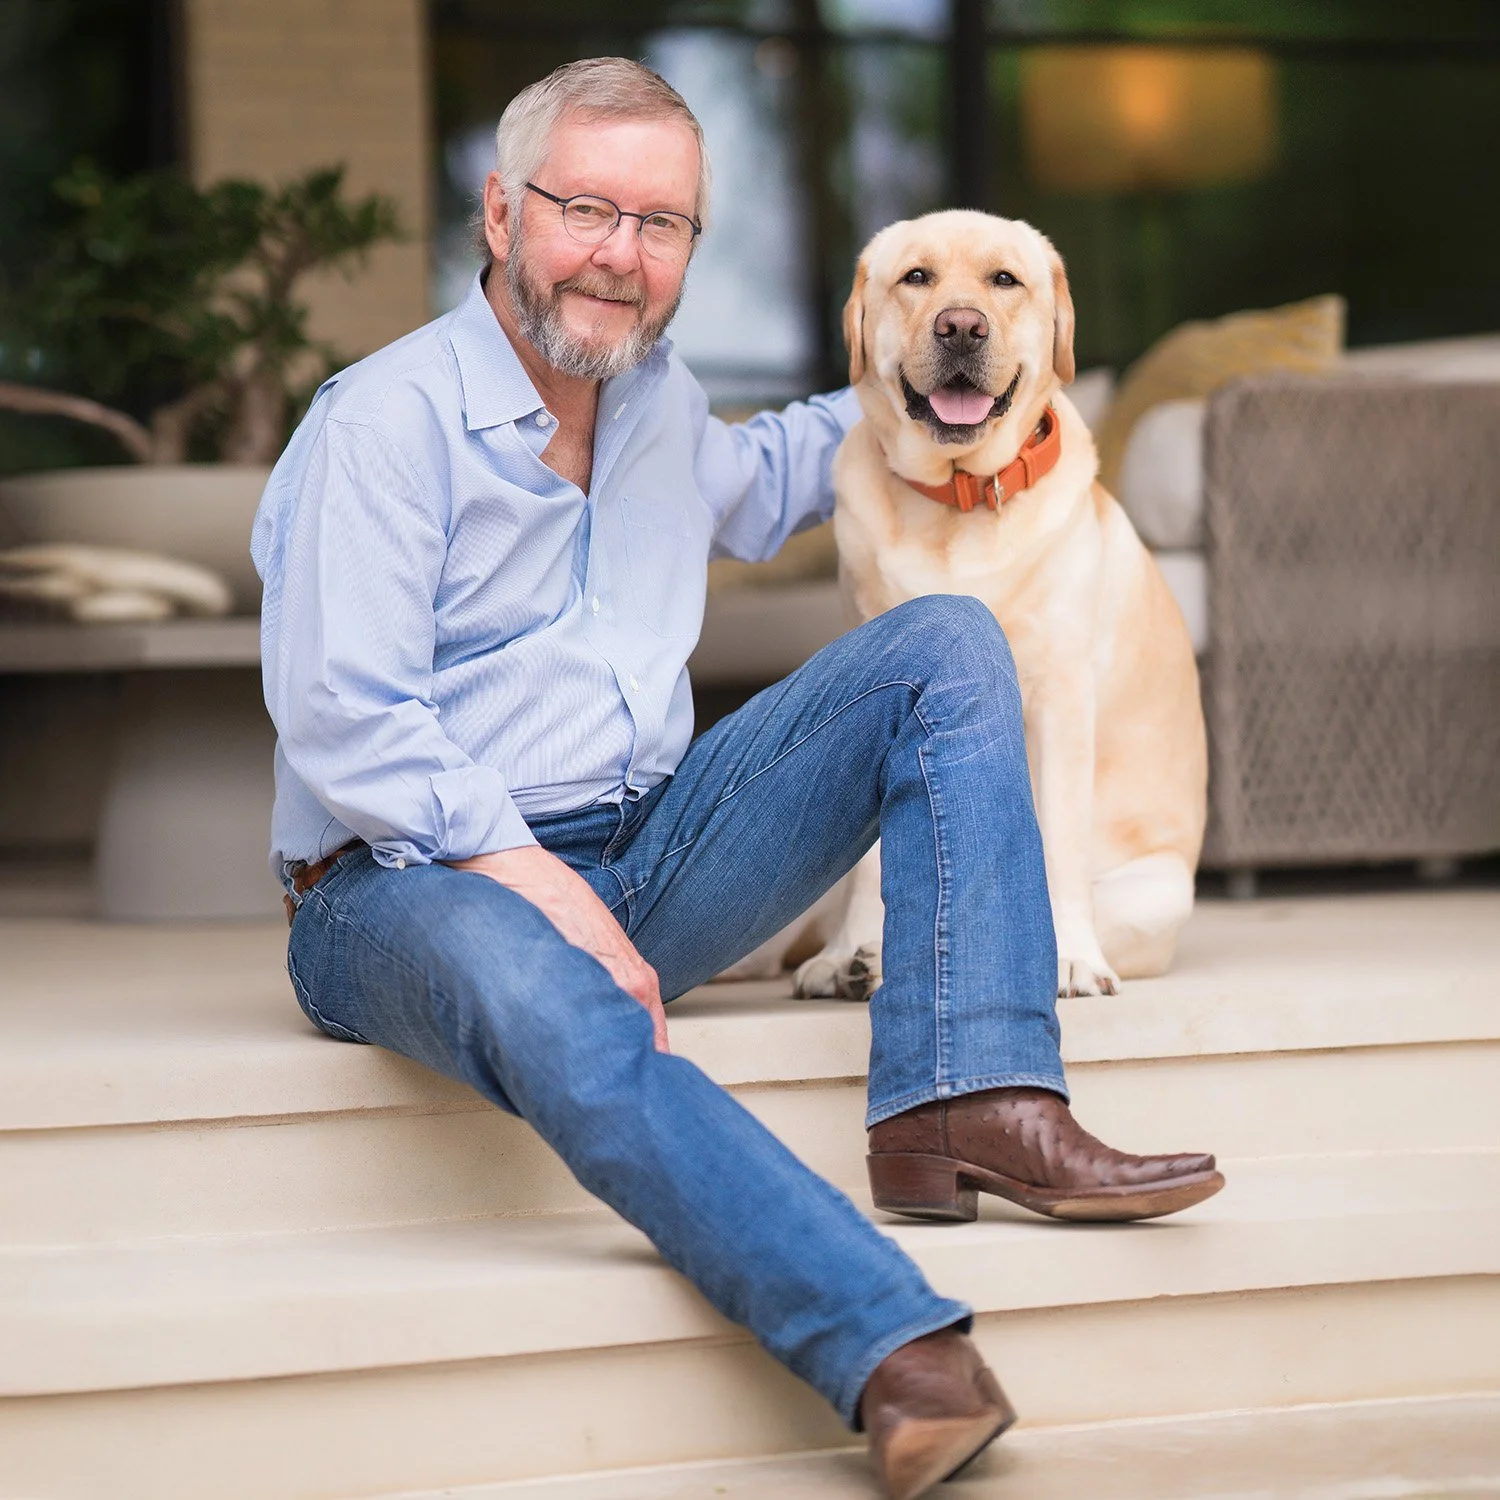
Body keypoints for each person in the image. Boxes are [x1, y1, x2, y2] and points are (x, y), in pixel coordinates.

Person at [252, 57, 1221, 1500]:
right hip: (410, 883)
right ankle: (892, 1344)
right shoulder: (382, 425)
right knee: (548, 992)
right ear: (500, 218)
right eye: (587, 209)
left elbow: (773, 477)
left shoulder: (650, 404)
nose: (621, 255)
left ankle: (970, 1091)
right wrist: (542, 894)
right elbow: (347, 721)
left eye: (662, 225)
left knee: (941, 643)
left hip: (645, 853)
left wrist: (965, 372)